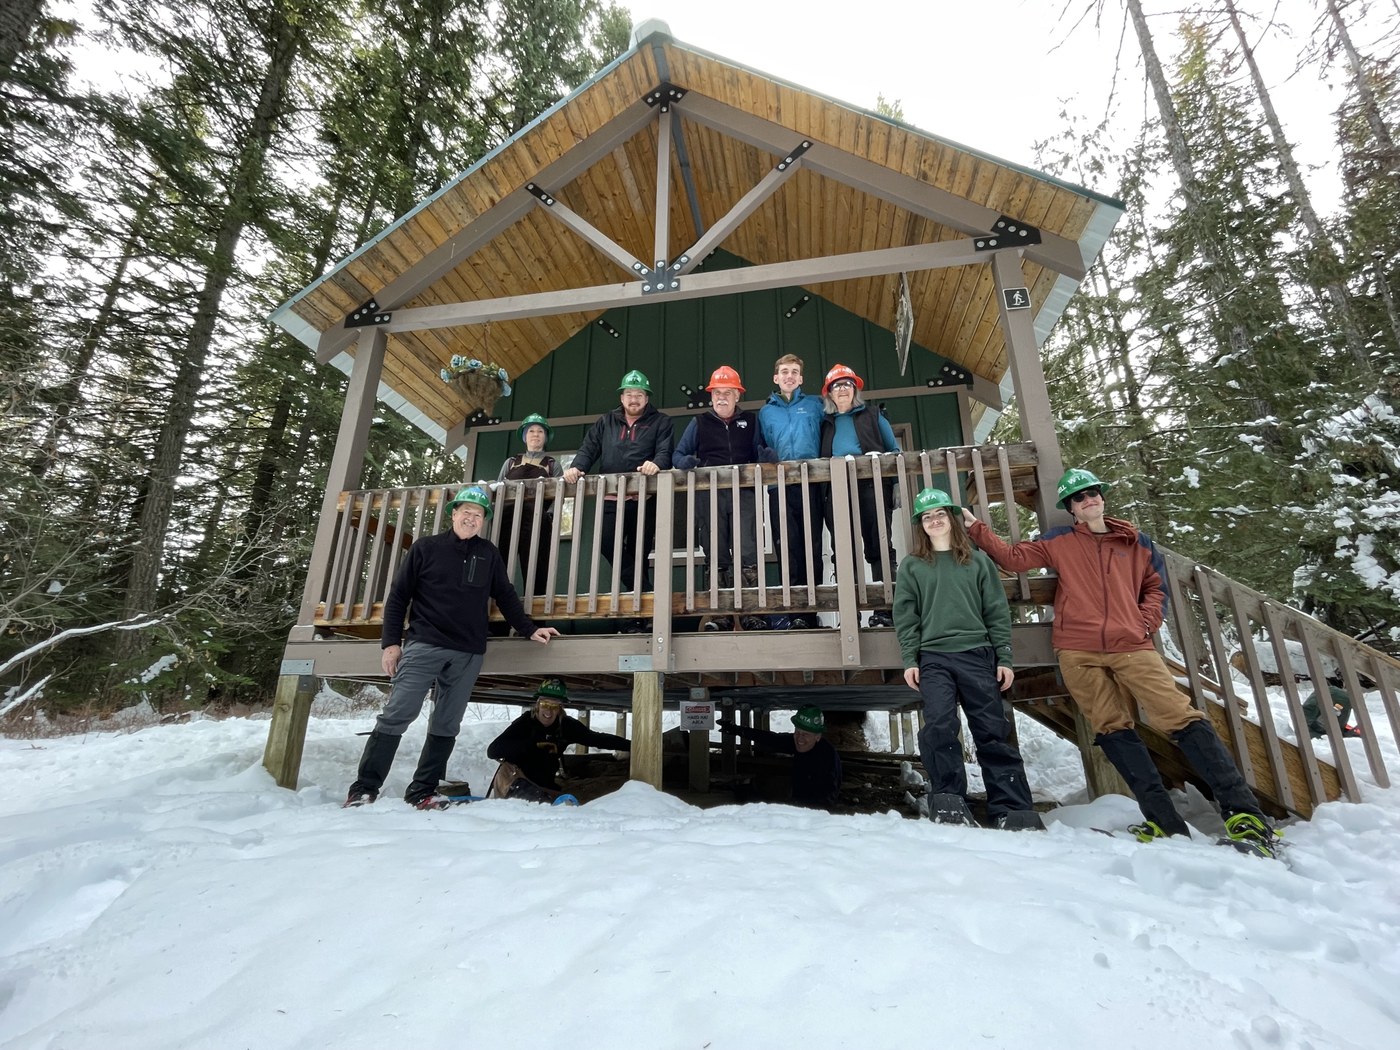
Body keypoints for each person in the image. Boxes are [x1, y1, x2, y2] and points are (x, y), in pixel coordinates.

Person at [963, 467, 1280, 851]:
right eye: (1078, 497)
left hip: (1132, 646)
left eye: (1092, 492)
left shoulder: (1137, 542)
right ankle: (1163, 820)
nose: (1088, 499)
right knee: (1111, 728)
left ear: (1102, 497)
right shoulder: (1059, 541)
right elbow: (1013, 559)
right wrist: (976, 528)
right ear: (1071, 508)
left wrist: (1144, 622)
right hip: (1077, 650)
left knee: (1180, 717)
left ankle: (1243, 813)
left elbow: (1156, 588)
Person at [345, 485, 560, 809]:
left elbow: (504, 594)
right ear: (454, 513)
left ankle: (423, 791)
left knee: (447, 723)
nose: (471, 519)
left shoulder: (488, 554)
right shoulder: (425, 549)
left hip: (467, 652)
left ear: (483, 520)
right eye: (466, 512)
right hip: (424, 644)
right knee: (397, 715)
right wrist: (390, 644)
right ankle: (364, 788)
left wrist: (529, 629)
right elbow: (398, 597)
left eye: (478, 515)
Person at [894, 488, 1042, 829]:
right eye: (927, 517)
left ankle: (1011, 807)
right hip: (934, 657)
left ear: (951, 518)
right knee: (940, 726)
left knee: (991, 729)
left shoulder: (977, 562)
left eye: (940, 514)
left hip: (977, 653)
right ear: (921, 525)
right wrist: (910, 659)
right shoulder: (913, 566)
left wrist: (1004, 656)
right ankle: (948, 798)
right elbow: (906, 616)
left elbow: (996, 611)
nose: (934, 521)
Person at [563, 369, 674, 632]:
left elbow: (665, 452)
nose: (634, 399)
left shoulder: (661, 421)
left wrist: (656, 464)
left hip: (644, 498)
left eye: (639, 394)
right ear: (622, 397)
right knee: (607, 543)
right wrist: (577, 467)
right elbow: (589, 448)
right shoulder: (606, 422)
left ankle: (638, 618)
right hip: (612, 497)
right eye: (629, 394)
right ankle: (646, 592)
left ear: (647, 398)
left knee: (639, 553)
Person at [673, 365, 776, 631]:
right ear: (711, 396)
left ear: (737, 395)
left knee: (748, 550)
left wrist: (766, 456)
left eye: (728, 392)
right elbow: (678, 454)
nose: (722, 398)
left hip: (744, 493)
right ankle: (720, 615)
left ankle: (752, 613)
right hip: (710, 495)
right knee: (715, 551)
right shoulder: (699, 423)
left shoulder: (750, 421)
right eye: (717, 393)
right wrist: (685, 462)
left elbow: (759, 449)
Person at [819, 363, 900, 627]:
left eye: (847, 384)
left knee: (879, 545)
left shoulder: (873, 416)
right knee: (843, 551)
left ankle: (885, 610)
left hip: (871, 487)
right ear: (829, 394)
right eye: (836, 386)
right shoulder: (826, 423)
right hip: (837, 492)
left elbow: (894, 451)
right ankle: (849, 612)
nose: (842, 389)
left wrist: (895, 485)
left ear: (855, 390)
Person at [758, 353, 826, 629]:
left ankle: (811, 612)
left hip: (812, 484)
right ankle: (795, 613)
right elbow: (759, 446)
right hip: (779, 487)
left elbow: (830, 434)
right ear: (776, 378)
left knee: (812, 546)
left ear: (801, 378)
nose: (789, 376)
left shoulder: (815, 405)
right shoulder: (766, 412)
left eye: (794, 372)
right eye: (784, 371)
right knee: (787, 547)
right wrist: (766, 454)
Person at [486, 678, 631, 795]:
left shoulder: (566, 726)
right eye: (545, 704)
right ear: (538, 704)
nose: (548, 711)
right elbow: (493, 751)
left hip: (546, 786)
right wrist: (532, 745)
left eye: (554, 706)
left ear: (560, 708)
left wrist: (633, 745)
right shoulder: (525, 724)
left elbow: (596, 739)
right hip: (516, 784)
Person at [718, 705, 842, 810]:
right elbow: (772, 739)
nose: (800, 738)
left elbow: (828, 796)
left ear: (818, 736)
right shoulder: (798, 742)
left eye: (805, 734)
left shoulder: (827, 758)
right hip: (797, 803)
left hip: (815, 811)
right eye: (797, 732)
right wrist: (736, 730)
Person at [495, 412, 563, 597]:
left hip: (537, 522)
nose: (535, 434)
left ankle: (535, 611)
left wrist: (549, 515)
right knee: (501, 563)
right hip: (507, 519)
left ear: (545, 437)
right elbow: (498, 490)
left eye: (540, 431)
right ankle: (498, 611)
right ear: (525, 436)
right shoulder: (510, 463)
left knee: (536, 566)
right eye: (531, 431)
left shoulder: (552, 465)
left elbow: (560, 495)